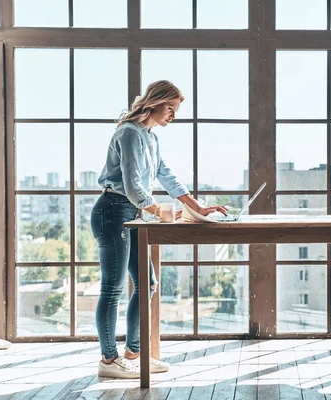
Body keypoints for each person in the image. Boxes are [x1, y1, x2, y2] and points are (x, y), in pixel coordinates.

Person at [91, 80, 227, 379]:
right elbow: (132, 184)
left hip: (134, 212)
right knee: (112, 288)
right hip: (113, 211)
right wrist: (158, 210)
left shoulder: (150, 137)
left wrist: (198, 206)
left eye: (176, 110)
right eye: (171, 108)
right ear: (155, 102)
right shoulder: (128, 132)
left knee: (148, 284)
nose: (174, 116)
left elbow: (166, 175)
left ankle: (134, 354)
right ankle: (109, 360)